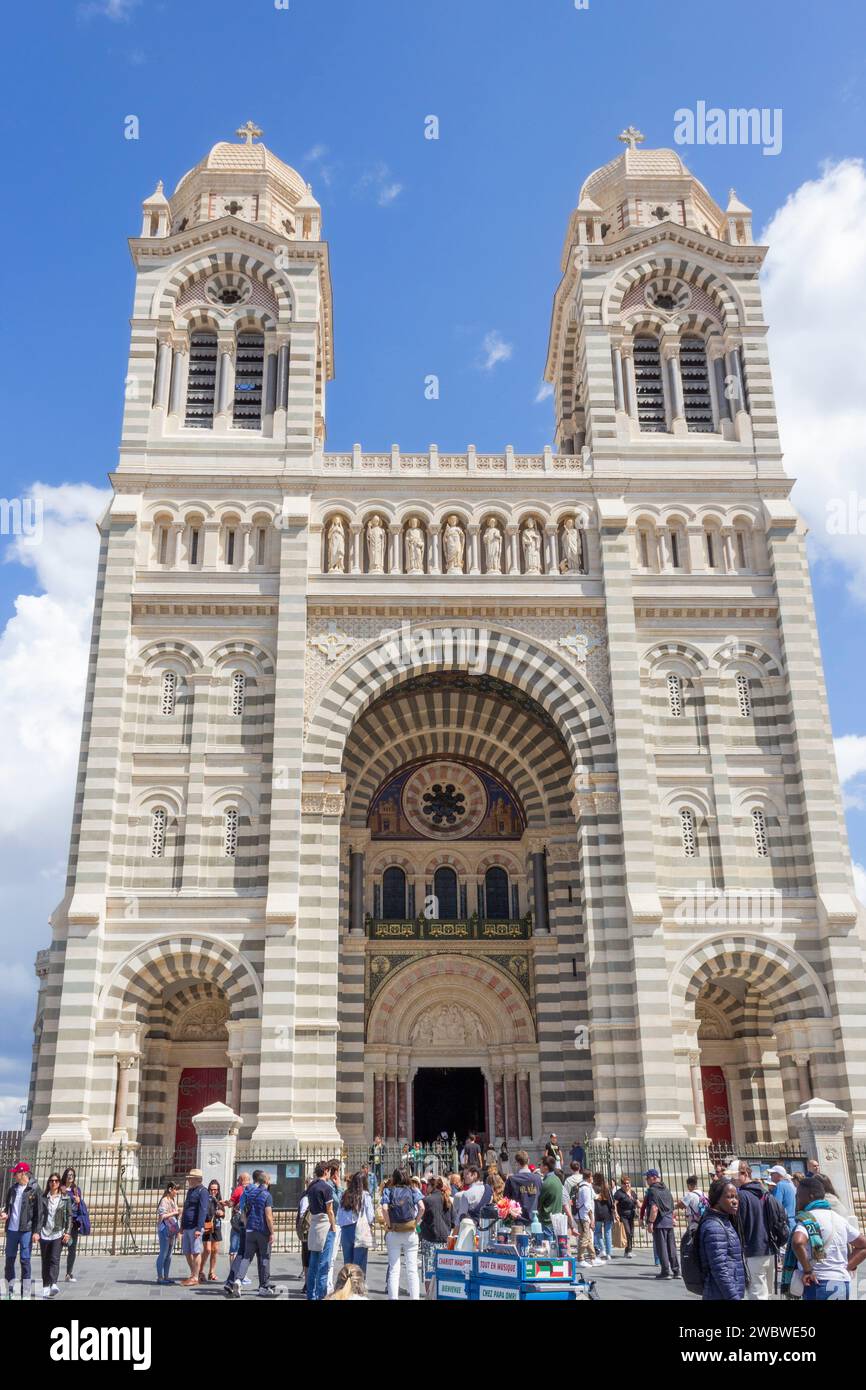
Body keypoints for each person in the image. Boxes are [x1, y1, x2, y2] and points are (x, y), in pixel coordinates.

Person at [785, 1175, 866, 1301]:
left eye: (798, 1195)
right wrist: (845, 1267)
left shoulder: (807, 1218)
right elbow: (863, 1245)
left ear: (810, 1196)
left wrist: (807, 1270)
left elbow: (798, 1242)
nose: (797, 1200)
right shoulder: (838, 1218)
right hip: (841, 1281)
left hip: (818, 1282)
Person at [224, 1169, 282, 1298]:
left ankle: (238, 1280)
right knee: (264, 1258)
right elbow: (268, 1216)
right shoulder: (267, 1195)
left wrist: (246, 1225)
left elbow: (243, 1212)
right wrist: (272, 1232)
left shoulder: (249, 1193)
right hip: (262, 1231)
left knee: (246, 1257)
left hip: (249, 1230)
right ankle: (264, 1285)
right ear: (266, 1181)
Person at [734, 1160, 781, 1300]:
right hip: (770, 1248)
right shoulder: (765, 1192)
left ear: (743, 1174)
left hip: (753, 1249)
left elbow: (739, 1223)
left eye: (733, 1176)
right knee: (767, 1292)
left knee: (757, 1293)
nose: (732, 1180)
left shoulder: (741, 1195)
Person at [698, 1179, 747, 1301]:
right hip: (720, 1294)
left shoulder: (725, 1221)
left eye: (736, 1197)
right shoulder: (714, 1227)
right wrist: (734, 1297)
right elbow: (719, 1269)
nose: (735, 1201)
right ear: (717, 1200)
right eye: (729, 1197)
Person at [381, 1166, 424, 1300]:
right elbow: (422, 1207)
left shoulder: (388, 1190)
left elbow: (384, 1208)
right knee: (412, 1269)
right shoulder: (413, 1190)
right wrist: (416, 1222)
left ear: (394, 1178)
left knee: (394, 1269)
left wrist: (388, 1225)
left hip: (394, 1231)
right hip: (410, 1232)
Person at [2, 1161, 43, 1299]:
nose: (14, 1176)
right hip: (12, 1230)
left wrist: (37, 1231)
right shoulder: (12, 1189)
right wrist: (5, 1213)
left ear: (23, 1173)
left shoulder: (35, 1188)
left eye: (16, 1173)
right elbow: (7, 1206)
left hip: (26, 1230)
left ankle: (25, 1292)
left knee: (25, 1261)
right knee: (9, 1260)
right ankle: (9, 1290)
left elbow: (39, 1212)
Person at [305, 1161, 338, 1301]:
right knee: (324, 1264)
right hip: (325, 1224)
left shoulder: (311, 1186)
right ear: (325, 1171)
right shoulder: (326, 1187)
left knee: (313, 1262)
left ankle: (310, 1295)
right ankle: (321, 1295)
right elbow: (330, 1210)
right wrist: (334, 1225)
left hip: (314, 1224)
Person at [36, 1173, 71, 1297]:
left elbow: (69, 1216)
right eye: (51, 1181)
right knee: (45, 1260)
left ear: (59, 1183)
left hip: (58, 1233)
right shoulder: (43, 1197)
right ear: (48, 1183)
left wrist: (68, 1232)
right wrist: (36, 1231)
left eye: (56, 1181)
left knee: (54, 1259)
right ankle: (46, 1285)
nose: (54, 1183)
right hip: (45, 1233)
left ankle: (54, 1283)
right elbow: (39, 1215)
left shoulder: (65, 1198)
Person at [337, 1171, 375, 1275]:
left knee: (348, 1263)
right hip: (359, 1229)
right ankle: (358, 1288)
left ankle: (347, 1286)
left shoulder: (345, 1194)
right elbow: (370, 1216)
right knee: (359, 1263)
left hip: (345, 1230)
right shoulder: (365, 1195)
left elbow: (339, 1214)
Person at [645, 1169, 680, 1279]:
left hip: (659, 1222)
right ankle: (676, 1271)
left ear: (653, 1178)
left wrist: (650, 1222)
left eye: (647, 1178)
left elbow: (654, 1208)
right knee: (671, 1247)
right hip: (669, 1220)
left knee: (662, 1247)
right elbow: (672, 1206)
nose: (646, 1181)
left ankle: (665, 1272)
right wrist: (673, 1219)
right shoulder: (666, 1189)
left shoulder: (652, 1191)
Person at [419, 1174, 452, 1285]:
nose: (426, 1187)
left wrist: (420, 1229)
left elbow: (420, 1218)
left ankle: (429, 1295)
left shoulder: (427, 1200)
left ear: (432, 1186)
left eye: (427, 1185)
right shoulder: (446, 1199)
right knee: (442, 1272)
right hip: (444, 1240)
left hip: (430, 1239)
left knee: (429, 1273)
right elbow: (453, 1221)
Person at [179, 1168, 210, 1287]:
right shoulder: (190, 1191)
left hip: (195, 1226)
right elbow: (186, 1208)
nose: (189, 1180)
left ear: (197, 1179)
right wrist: (182, 1225)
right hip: (187, 1225)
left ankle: (196, 1277)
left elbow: (203, 1210)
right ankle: (193, 1273)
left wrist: (199, 1228)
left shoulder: (203, 1191)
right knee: (187, 1251)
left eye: (191, 1179)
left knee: (196, 1252)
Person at [60, 1167, 88, 1283]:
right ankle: (52, 1272)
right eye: (68, 1174)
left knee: (72, 1249)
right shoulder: (60, 1188)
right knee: (58, 1248)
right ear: (65, 1176)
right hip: (61, 1222)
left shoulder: (76, 1190)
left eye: (72, 1174)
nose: (70, 1176)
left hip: (74, 1222)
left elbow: (79, 1204)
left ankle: (68, 1273)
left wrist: (78, 1201)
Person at [228, 1172, 253, 1287]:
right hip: (247, 1224)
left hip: (237, 1223)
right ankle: (242, 1274)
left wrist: (226, 1203)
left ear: (241, 1180)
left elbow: (231, 1203)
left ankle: (233, 1274)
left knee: (234, 1249)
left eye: (239, 1179)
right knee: (243, 1250)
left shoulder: (238, 1190)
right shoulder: (253, 1189)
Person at [504, 1151, 542, 1224]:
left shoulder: (512, 1179)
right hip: (534, 1219)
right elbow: (541, 1199)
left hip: (518, 1220)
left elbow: (506, 1201)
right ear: (528, 1160)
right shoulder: (537, 1179)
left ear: (517, 1163)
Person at [200, 1180, 225, 1282]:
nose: (213, 1191)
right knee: (207, 1250)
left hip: (217, 1226)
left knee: (215, 1250)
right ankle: (200, 1271)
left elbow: (224, 1214)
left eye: (215, 1189)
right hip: (207, 1225)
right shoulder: (206, 1199)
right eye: (212, 1189)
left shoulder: (219, 1200)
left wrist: (221, 1213)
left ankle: (212, 1272)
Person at [155, 1182, 180, 1285]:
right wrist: (175, 1213)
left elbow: (176, 1212)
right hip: (164, 1229)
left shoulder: (173, 1200)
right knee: (163, 1253)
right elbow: (162, 1216)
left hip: (172, 1229)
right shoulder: (164, 1200)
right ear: (170, 1189)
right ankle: (160, 1277)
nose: (177, 1192)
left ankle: (166, 1276)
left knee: (169, 1254)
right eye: (175, 1190)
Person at [574, 1170, 596, 1266]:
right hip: (584, 1216)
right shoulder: (586, 1188)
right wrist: (592, 1219)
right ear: (588, 1177)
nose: (592, 1178)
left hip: (581, 1215)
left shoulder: (582, 1186)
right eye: (591, 1176)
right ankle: (580, 1258)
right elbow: (588, 1206)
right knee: (585, 1238)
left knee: (588, 1238)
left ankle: (593, 1257)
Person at [612, 1175, 638, 1258]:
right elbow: (614, 1204)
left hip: (631, 1215)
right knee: (627, 1232)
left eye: (628, 1183)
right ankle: (628, 1251)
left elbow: (637, 1202)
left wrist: (642, 1207)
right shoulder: (619, 1193)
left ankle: (628, 1250)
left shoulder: (632, 1192)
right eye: (625, 1183)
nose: (627, 1185)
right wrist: (615, 1213)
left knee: (631, 1233)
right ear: (622, 1184)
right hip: (623, 1215)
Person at [768, 1164, 797, 1233]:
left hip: (785, 1223)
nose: (770, 1175)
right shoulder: (791, 1184)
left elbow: (775, 1206)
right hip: (793, 1221)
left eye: (772, 1174)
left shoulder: (780, 1185)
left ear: (778, 1174)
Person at [592, 1174, 614, 1260]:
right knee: (608, 1233)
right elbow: (611, 1202)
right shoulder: (607, 1189)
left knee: (597, 1233)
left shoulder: (593, 1189)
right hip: (607, 1213)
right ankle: (609, 1253)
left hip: (597, 1213)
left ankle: (602, 1249)